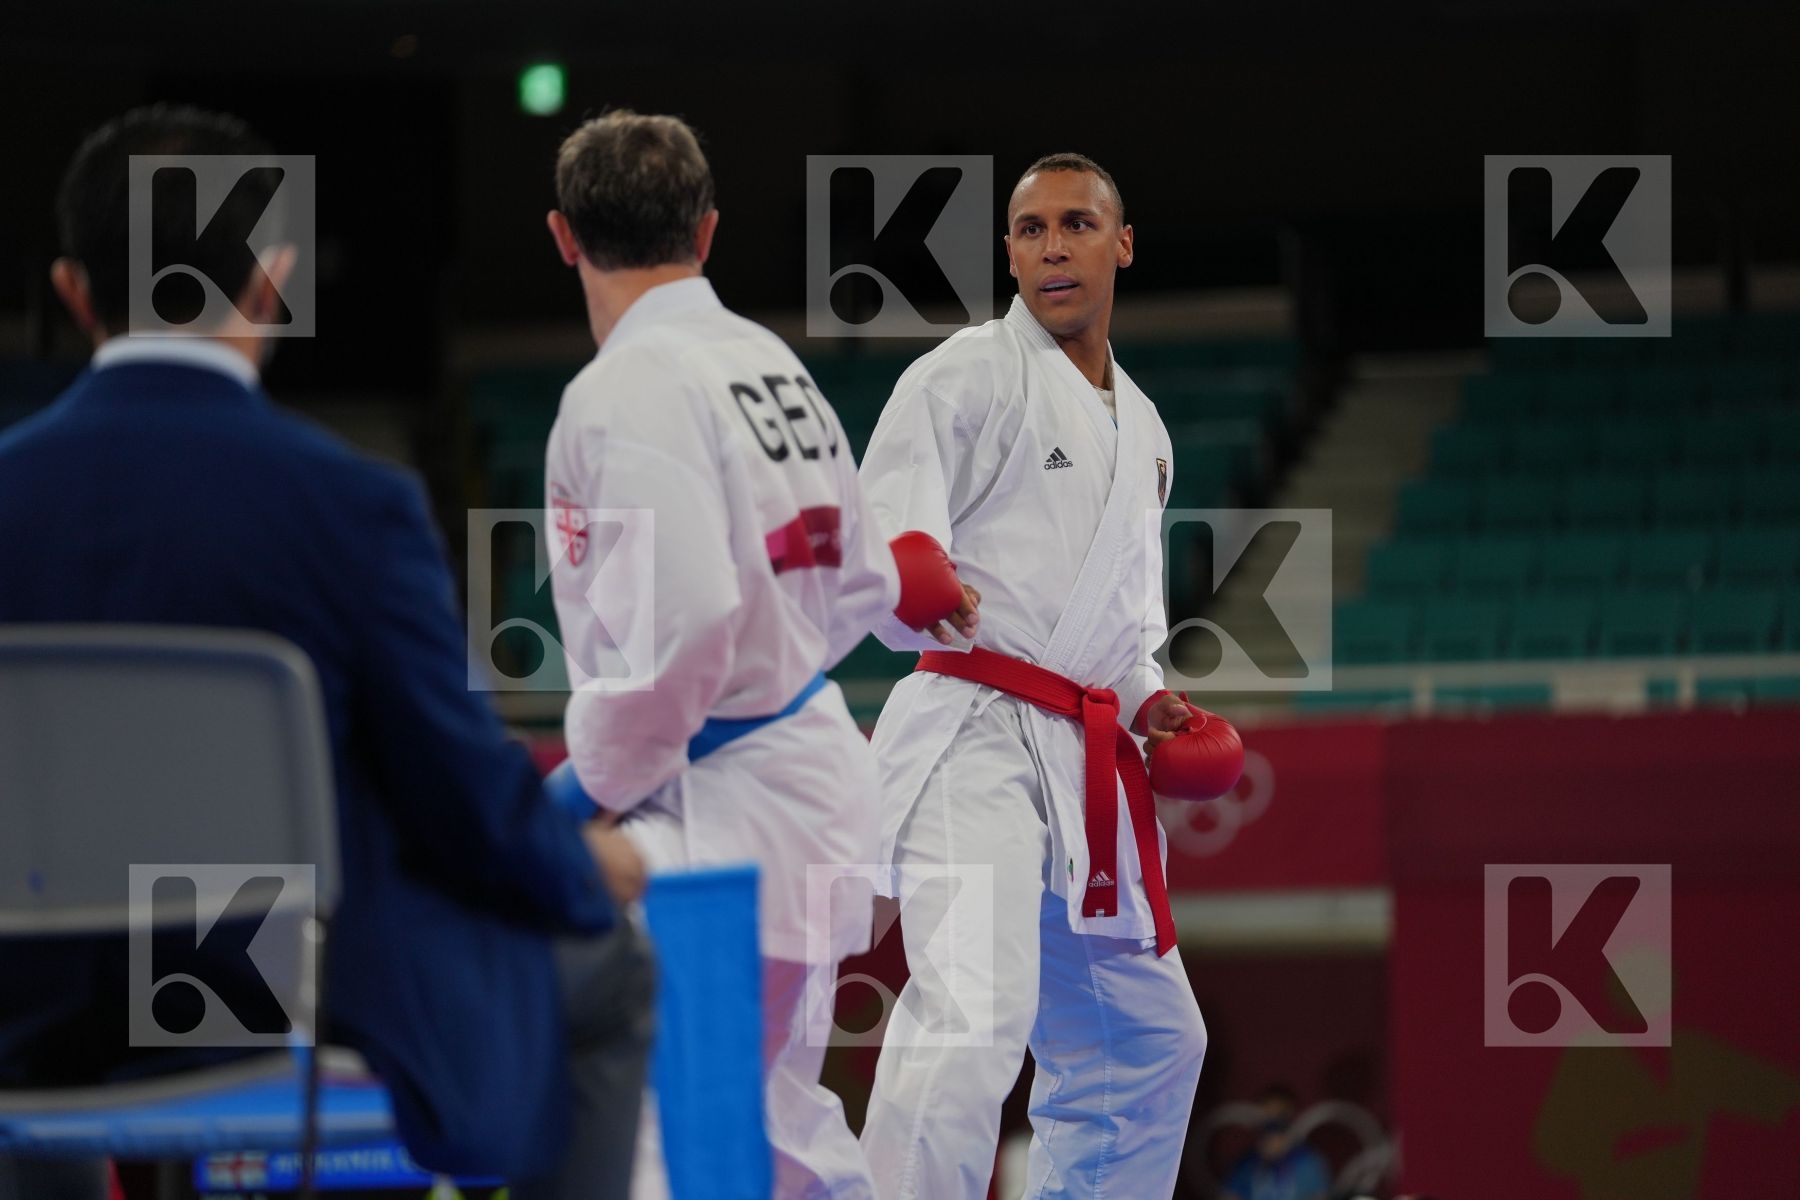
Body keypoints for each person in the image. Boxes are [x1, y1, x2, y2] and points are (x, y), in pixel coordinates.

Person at [0, 104, 652, 1200]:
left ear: (74, 292)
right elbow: (455, 796)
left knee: (35, 1017)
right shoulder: (351, 506)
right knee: (614, 975)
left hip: (38, 1013)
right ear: (274, 280)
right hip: (282, 991)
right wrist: (579, 871)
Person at [539, 110, 954, 1199]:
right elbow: (864, 580)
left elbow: (688, 626)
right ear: (708, 233)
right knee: (777, 1124)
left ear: (562, 236)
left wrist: (592, 781)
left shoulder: (621, 392)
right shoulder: (766, 362)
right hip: (805, 780)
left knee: (666, 1133)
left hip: (717, 817)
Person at [856, 153, 1211, 1197]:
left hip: (1079, 761)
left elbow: (1121, 626)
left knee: (1152, 1041)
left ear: (1123, 242)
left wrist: (1152, 704)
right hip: (971, 735)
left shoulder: (1145, 431)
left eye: (1076, 225)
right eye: (1028, 230)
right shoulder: (964, 373)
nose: (1052, 248)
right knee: (973, 1013)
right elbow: (880, 541)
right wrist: (909, 575)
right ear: (1008, 250)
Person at [1221, 1086, 1331, 1200]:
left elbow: (1319, 1196)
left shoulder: (1308, 1163)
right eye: (1265, 1116)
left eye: (1279, 1116)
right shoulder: (1246, 1164)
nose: (1271, 1125)